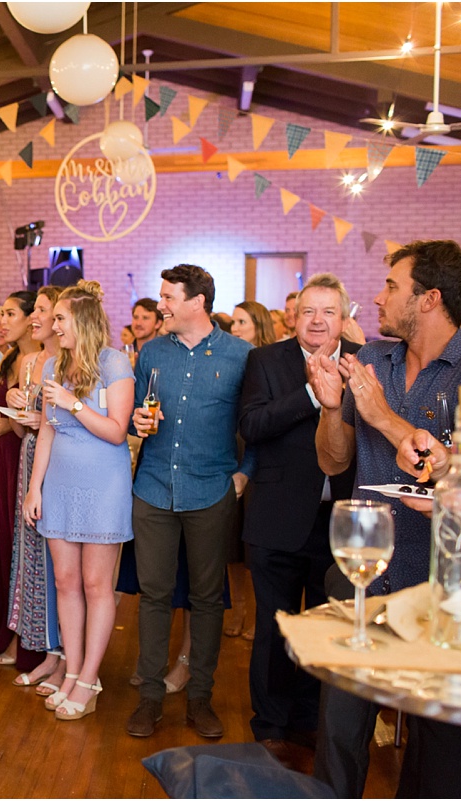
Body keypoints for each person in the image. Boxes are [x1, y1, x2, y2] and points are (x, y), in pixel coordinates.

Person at [309, 240, 461, 798]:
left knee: (436, 755)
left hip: (438, 587)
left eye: (392, 286)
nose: (378, 297)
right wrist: (332, 408)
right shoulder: (371, 359)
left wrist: (383, 416)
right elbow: (334, 460)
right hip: (361, 577)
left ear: (429, 299)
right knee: (338, 736)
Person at [238, 275, 360, 772]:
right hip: (277, 515)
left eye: (328, 312)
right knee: (275, 626)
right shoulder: (265, 361)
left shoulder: (365, 362)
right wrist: (313, 395)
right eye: (308, 311)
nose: (317, 321)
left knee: (325, 627)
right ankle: (270, 725)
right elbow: (252, 425)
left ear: (343, 318)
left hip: (340, 517)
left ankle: (309, 719)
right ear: (294, 316)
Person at [126, 264, 253, 740]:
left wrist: (244, 474)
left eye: (168, 297)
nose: (161, 305)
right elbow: (135, 409)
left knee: (207, 599)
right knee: (154, 596)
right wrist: (137, 420)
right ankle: (150, 698)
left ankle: (201, 697)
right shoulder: (152, 352)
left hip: (211, 491)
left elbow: (256, 424)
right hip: (154, 487)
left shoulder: (241, 355)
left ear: (197, 302)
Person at [24, 281, 135, 722]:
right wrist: (35, 487)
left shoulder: (114, 363)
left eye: (60, 319)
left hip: (103, 484)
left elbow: (117, 431)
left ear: (83, 322)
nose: (53, 326)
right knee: (65, 581)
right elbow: (46, 431)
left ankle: (89, 678)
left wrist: (72, 404)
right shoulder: (54, 364)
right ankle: (70, 671)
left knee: (95, 584)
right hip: (60, 485)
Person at [6, 287, 66, 693]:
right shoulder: (29, 362)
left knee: (60, 565)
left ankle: (66, 656)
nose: (35, 317)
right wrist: (16, 407)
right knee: (31, 559)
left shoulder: (71, 362)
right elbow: (19, 428)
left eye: (43, 310)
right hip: (30, 457)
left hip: (60, 460)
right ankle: (45, 650)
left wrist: (40, 420)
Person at [0, 291, 40, 669]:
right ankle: (4, 626)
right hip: (6, 453)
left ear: (31, 319)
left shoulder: (41, 361)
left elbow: (24, 422)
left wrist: (9, 422)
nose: (1, 321)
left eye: (10, 314)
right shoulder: (11, 358)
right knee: (6, 540)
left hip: (26, 454)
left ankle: (23, 636)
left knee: (22, 543)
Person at [223, 300, 277, 641]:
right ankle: (238, 608)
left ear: (259, 325)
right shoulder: (231, 360)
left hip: (260, 450)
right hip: (232, 446)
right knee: (231, 543)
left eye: (242, 322)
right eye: (233, 323)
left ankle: (258, 612)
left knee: (255, 546)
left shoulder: (270, 361)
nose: (235, 329)